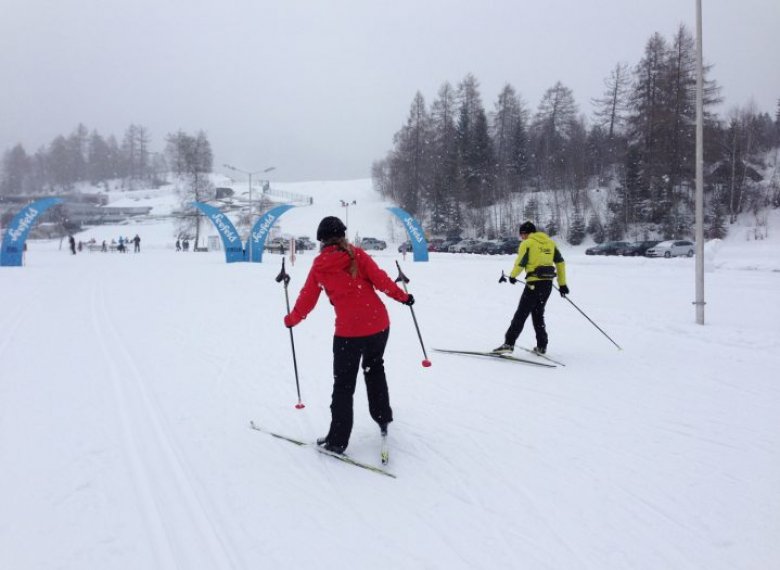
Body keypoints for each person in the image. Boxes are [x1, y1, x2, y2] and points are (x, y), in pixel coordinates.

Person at [283, 216, 414, 454]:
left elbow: (307, 298)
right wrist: (403, 297)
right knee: (375, 369)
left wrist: (292, 319)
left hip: (349, 335)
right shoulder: (357, 255)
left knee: (344, 385)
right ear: (343, 235)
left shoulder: (320, 266)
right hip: (378, 325)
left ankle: (338, 440)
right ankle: (383, 417)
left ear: (321, 241)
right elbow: (381, 280)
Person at [493, 221, 569, 355]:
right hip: (547, 285)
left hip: (533, 285)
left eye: (522, 234)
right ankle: (542, 346)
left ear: (526, 233)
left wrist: (513, 276)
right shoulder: (550, 243)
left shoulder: (527, 243)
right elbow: (560, 263)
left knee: (521, 314)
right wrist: (562, 284)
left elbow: (521, 262)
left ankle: (508, 344)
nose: (522, 237)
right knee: (538, 315)